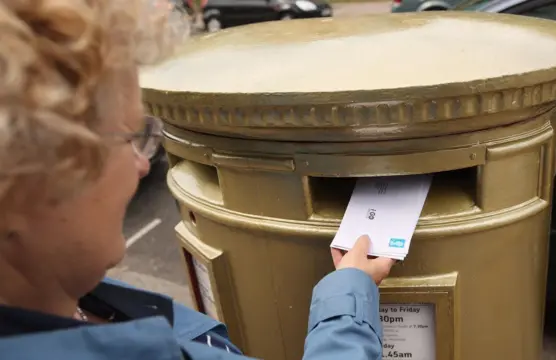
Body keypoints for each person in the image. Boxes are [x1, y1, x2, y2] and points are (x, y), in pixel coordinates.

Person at [0, 1, 396, 359]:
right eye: (128, 136)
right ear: (20, 185)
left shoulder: (74, 299)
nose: (142, 166)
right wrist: (350, 297)